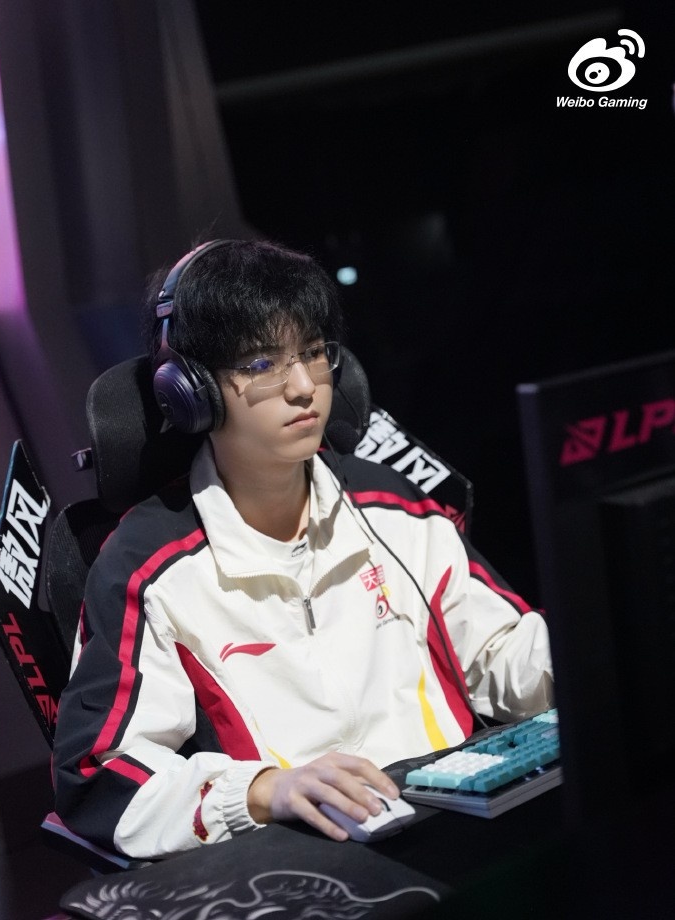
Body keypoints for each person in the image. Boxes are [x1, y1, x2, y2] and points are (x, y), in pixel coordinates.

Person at [52, 238, 553, 860]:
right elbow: (99, 776)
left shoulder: (396, 507)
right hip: (297, 859)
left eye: (313, 354)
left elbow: (501, 654)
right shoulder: (148, 567)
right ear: (189, 390)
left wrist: (600, 642)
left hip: (460, 826)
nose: (302, 387)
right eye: (261, 363)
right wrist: (264, 791)